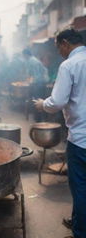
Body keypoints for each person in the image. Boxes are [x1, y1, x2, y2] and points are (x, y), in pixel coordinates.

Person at [34, 28, 86, 238]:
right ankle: (77, 220)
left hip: (81, 139)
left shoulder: (69, 65)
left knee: (80, 187)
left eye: (58, 48)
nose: (59, 52)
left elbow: (57, 101)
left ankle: (80, 232)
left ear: (65, 43)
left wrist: (42, 104)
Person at [22, 48, 49, 121]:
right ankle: (43, 118)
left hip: (38, 84)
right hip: (42, 83)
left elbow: (33, 75)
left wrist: (29, 83)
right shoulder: (34, 60)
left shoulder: (31, 61)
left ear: (26, 55)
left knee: (37, 101)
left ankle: (38, 119)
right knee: (41, 100)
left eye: (23, 56)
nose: (23, 57)